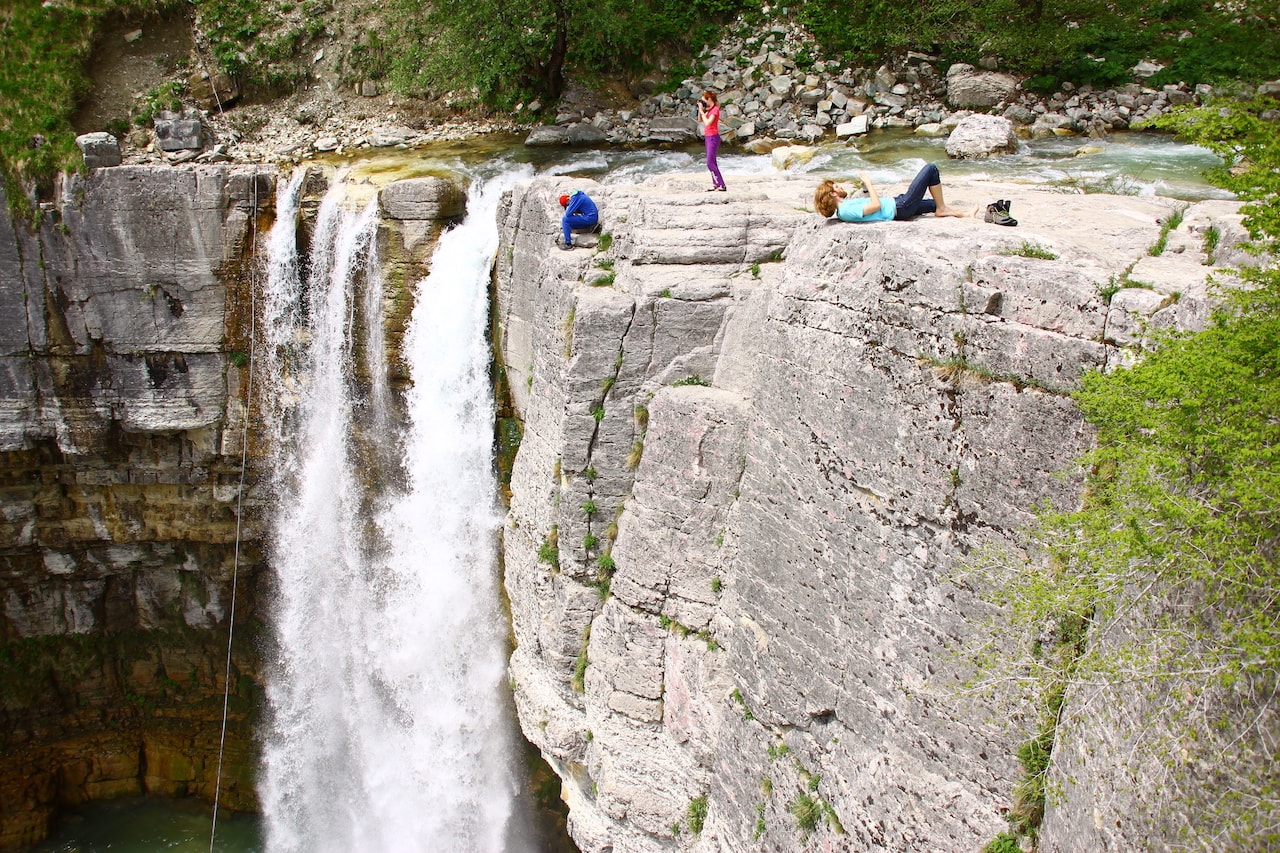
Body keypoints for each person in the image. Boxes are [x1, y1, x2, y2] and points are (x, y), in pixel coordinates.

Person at [814, 164, 968, 222]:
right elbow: (875, 205)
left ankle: (965, 215)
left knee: (934, 203)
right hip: (901, 207)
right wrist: (869, 182)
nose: (840, 186)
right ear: (833, 194)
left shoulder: (845, 208)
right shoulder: (846, 210)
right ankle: (942, 210)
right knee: (931, 169)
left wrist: (866, 189)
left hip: (898, 204)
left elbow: (869, 206)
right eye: (836, 186)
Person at [697, 91, 727, 192]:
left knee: (710, 163)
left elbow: (708, 123)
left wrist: (702, 112)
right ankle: (716, 183)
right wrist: (700, 110)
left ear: (709, 99)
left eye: (704, 100)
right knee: (712, 162)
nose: (704, 102)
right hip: (708, 137)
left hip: (713, 137)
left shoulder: (715, 110)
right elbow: (700, 120)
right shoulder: (709, 110)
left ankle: (721, 184)